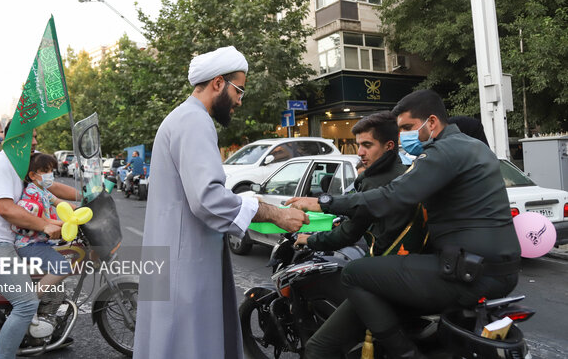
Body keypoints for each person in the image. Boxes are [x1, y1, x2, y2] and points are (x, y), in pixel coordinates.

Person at [287, 89, 521, 358]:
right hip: (496, 269)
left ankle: (405, 353)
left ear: (431, 122)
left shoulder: (445, 151)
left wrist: (324, 202)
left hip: (468, 273)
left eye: (408, 127)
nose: (405, 136)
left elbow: (392, 197)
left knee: (354, 273)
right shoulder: (473, 146)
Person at [133, 46, 309, 359]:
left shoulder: (183, 118)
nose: (241, 100)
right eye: (239, 89)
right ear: (218, 83)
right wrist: (274, 213)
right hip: (184, 267)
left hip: (177, 258)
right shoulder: (194, 122)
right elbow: (208, 198)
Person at [294, 111, 422, 358]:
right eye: (358, 145)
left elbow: (347, 235)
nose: (360, 152)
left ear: (389, 146)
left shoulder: (374, 183)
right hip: (411, 268)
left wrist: (309, 239)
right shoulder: (405, 172)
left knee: (317, 348)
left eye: (367, 145)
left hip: (385, 274)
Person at [0, 128, 62, 359]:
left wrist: (81, 202)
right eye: (31, 136)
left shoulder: (16, 166)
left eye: (37, 136)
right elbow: (7, 209)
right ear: (14, 138)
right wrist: (44, 226)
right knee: (26, 304)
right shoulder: (0, 164)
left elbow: (50, 190)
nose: (36, 141)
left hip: (5, 242)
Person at [12, 153, 73, 325]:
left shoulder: (43, 191)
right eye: (45, 171)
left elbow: (60, 203)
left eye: (51, 171)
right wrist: (65, 222)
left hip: (38, 242)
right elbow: (43, 220)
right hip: (29, 244)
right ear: (33, 175)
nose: (50, 175)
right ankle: (29, 303)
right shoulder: (32, 192)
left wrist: (82, 210)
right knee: (62, 266)